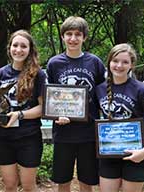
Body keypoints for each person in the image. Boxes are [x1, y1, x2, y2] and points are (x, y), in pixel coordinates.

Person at [95, 43, 144, 192]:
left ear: (132, 65)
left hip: (137, 153)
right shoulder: (100, 89)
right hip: (109, 152)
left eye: (125, 62)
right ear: (109, 62)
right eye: (115, 61)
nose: (119, 65)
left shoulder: (141, 89)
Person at [46, 16, 106, 192]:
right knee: (62, 180)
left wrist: (143, 87)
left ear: (84, 37)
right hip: (63, 132)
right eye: (69, 34)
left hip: (88, 132)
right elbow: (50, 97)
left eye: (78, 34)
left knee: (86, 181)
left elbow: (106, 91)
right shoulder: (54, 63)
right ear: (63, 36)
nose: (73, 38)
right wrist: (56, 115)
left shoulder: (95, 62)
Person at [0, 29, 46, 192]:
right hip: (4, 137)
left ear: (30, 50)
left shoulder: (38, 75)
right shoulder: (0, 74)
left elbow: (43, 108)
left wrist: (20, 114)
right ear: (9, 48)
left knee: (29, 186)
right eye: (15, 45)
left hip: (28, 137)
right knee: (10, 186)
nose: (19, 49)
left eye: (24, 46)